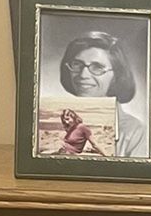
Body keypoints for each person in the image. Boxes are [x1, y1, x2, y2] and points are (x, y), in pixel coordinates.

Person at [56, 29, 146, 158]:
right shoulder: (67, 121)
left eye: (97, 67)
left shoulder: (135, 132)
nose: (83, 75)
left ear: (116, 76)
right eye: (77, 64)